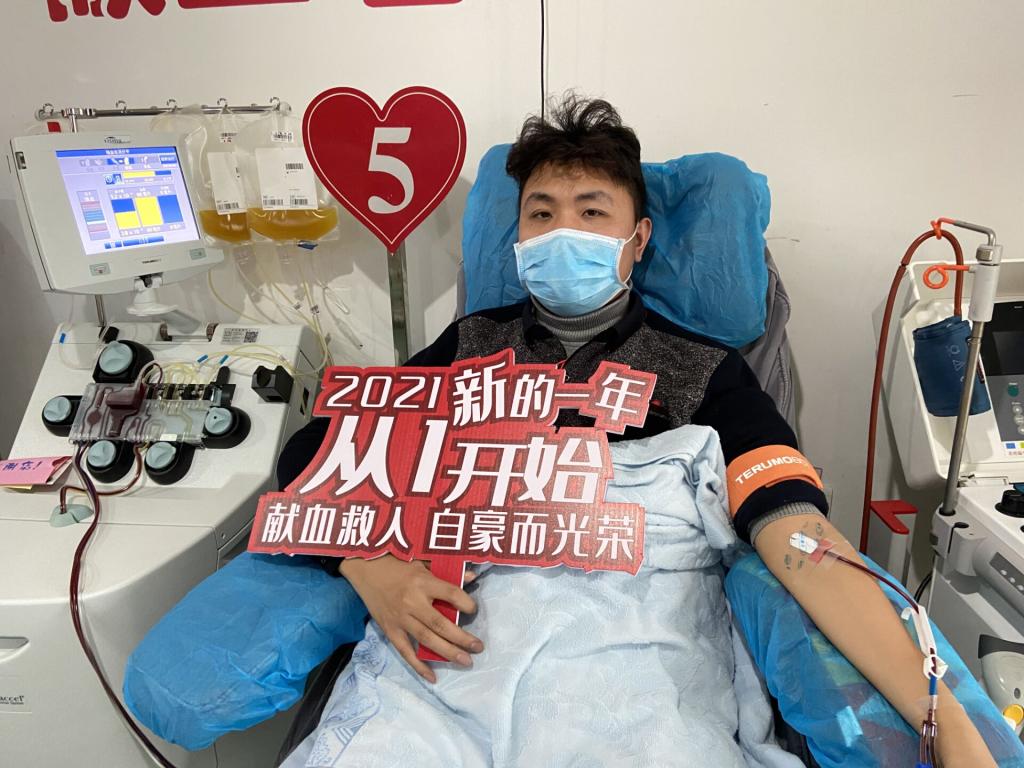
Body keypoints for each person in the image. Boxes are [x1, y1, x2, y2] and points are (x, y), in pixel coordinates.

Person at [277, 95, 995, 766]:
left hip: (636, 653)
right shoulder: (468, 348)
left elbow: (793, 526)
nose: (563, 232)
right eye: (541, 213)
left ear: (638, 238)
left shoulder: (702, 369)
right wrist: (367, 566)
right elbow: (317, 452)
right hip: (457, 651)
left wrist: (944, 724)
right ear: (517, 235)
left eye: (592, 212)